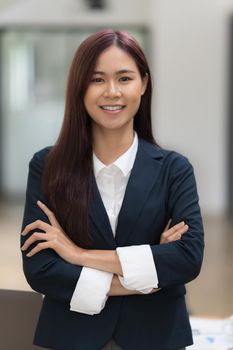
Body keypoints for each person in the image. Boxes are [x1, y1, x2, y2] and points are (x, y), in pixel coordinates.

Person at [20, 29, 204, 350]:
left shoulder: (174, 168)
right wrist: (148, 279)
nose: (112, 92)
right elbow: (42, 268)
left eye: (124, 78)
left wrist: (77, 255)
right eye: (97, 80)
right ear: (80, 87)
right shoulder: (48, 165)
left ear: (143, 84)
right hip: (71, 336)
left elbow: (187, 258)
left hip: (156, 336)